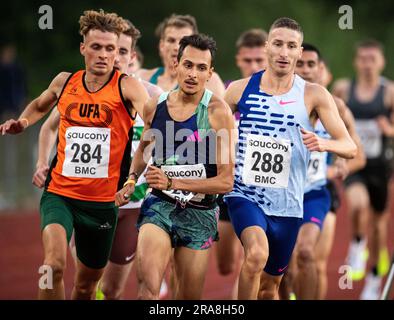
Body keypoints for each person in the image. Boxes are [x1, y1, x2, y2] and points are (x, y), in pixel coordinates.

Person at [1, 9, 149, 300]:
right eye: (96, 47)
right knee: (53, 265)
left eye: (111, 48)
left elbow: (153, 122)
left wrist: (134, 176)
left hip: (103, 203)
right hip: (60, 194)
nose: (104, 55)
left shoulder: (127, 86)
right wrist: (23, 122)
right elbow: (41, 105)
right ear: (83, 48)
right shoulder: (65, 82)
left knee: (84, 287)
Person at [223, 17, 357, 300]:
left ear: (299, 52)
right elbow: (211, 128)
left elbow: (350, 147)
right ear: (267, 46)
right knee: (256, 255)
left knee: (271, 287)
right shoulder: (239, 90)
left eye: (292, 46)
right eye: (279, 44)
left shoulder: (314, 95)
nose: (284, 52)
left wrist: (323, 142)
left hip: (289, 204)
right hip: (245, 194)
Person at [116, 34, 236, 300]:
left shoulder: (218, 112)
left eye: (201, 68)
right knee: (148, 285)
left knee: (187, 296)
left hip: (201, 211)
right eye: (188, 65)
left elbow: (226, 182)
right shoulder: (154, 106)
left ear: (210, 73)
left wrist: (173, 182)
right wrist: (131, 179)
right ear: (176, 65)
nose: (193, 74)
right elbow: (143, 152)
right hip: (160, 204)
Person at [283, 43, 365, 300]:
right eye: (301, 64)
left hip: (316, 191)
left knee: (309, 255)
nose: (306, 69)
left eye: (311, 64)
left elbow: (356, 154)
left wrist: (338, 167)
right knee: (285, 268)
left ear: (320, 69)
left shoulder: (336, 107)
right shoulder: (278, 102)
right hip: (281, 194)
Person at [333, 39, 394, 299]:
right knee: (357, 204)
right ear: (356, 62)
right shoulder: (344, 89)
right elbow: (330, 120)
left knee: (380, 228)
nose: (368, 65)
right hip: (354, 161)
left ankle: (373, 281)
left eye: (373, 59)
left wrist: (388, 129)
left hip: (381, 166)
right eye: (363, 59)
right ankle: (358, 244)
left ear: (381, 62)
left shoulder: (390, 92)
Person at [215, 28, 268, 299]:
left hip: (266, 190)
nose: (254, 66)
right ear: (238, 59)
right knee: (225, 264)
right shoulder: (230, 93)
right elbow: (206, 129)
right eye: (248, 60)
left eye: (259, 60)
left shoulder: (280, 97)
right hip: (230, 188)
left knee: (254, 257)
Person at [138, 14, 225, 97]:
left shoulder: (211, 81)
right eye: (171, 40)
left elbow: (223, 111)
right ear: (161, 45)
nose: (176, 47)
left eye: (183, 42)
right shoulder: (142, 77)